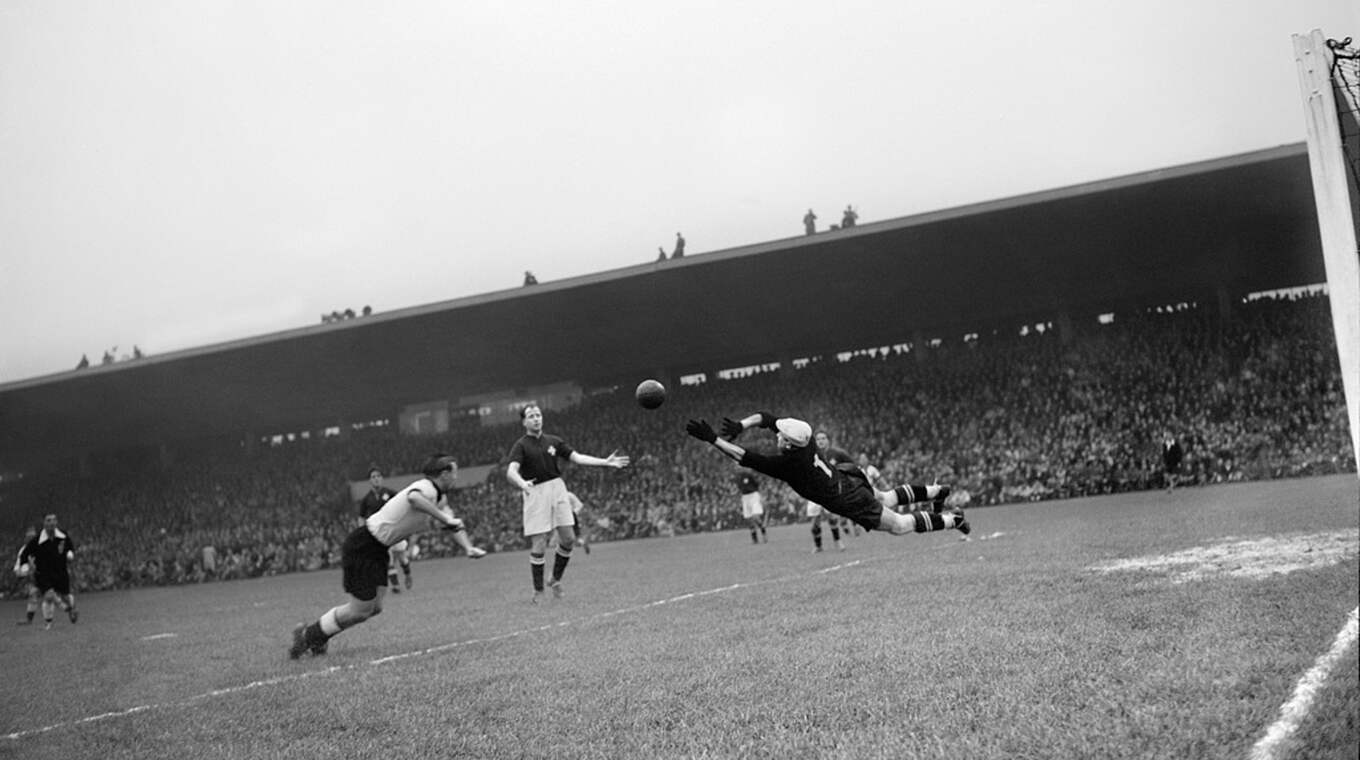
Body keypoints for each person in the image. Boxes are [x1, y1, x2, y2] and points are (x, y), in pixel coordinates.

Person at [289, 453, 485, 659]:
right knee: (361, 610)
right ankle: (308, 636)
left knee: (374, 608)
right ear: (444, 474)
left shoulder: (439, 498)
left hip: (378, 549)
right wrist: (445, 518)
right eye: (455, 473)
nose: (456, 478)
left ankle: (317, 636)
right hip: (364, 545)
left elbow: (453, 523)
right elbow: (414, 498)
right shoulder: (426, 488)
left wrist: (468, 547)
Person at [684, 411, 968, 541]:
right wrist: (740, 425)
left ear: (787, 443)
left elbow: (742, 456)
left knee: (899, 526)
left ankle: (952, 519)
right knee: (887, 497)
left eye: (780, 436)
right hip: (847, 478)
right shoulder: (804, 437)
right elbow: (766, 417)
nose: (777, 436)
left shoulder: (790, 466)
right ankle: (936, 492)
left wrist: (713, 439)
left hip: (846, 497)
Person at [505, 404, 630, 603]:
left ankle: (554, 579)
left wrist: (605, 462)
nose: (536, 418)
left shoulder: (554, 441)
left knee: (569, 538)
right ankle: (538, 592)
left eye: (538, 415)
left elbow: (577, 457)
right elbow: (511, 471)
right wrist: (522, 483)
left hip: (557, 488)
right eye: (531, 416)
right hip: (534, 490)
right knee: (539, 543)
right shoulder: (521, 445)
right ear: (524, 422)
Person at [18, 514, 79, 630]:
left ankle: (71, 608)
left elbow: (70, 548)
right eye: (48, 520)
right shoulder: (37, 541)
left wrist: (71, 554)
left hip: (61, 572)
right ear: (44, 524)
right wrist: (24, 567)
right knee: (49, 595)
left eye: (54, 520)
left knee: (66, 596)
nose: (51, 523)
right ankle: (50, 622)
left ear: (56, 522)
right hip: (43, 574)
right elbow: (24, 555)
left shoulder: (63, 536)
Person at [358, 467, 412, 593]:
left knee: (402, 558)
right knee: (387, 560)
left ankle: (408, 574)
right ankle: (395, 585)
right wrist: (362, 530)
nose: (376, 479)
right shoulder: (367, 500)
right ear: (370, 481)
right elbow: (361, 517)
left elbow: (403, 504)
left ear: (382, 479)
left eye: (378, 476)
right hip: (381, 534)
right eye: (373, 477)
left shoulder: (391, 493)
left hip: (396, 529)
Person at [804, 430, 852, 551]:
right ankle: (818, 546)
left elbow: (851, 464)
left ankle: (838, 541)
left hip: (830, 489)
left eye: (823, 438)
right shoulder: (810, 454)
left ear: (828, 441)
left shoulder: (837, 453)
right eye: (818, 439)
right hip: (814, 490)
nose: (820, 441)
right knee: (815, 521)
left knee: (832, 516)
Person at [12, 527, 39, 625]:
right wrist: (21, 572)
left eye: (33, 536)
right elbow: (18, 567)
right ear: (26, 538)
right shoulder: (23, 550)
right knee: (33, 594)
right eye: (29, 537)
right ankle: (29, 620)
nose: (31, 538)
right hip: (32, 576)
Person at [734, 469, 767, 545]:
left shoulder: (750, 475)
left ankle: (763, 531)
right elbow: (740, 489)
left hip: (753, 496)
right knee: (749, 519)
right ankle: (754, 539)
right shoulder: (737, 478)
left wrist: (761, 496)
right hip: (745, 498)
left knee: (755, 517)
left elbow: (757, 485)